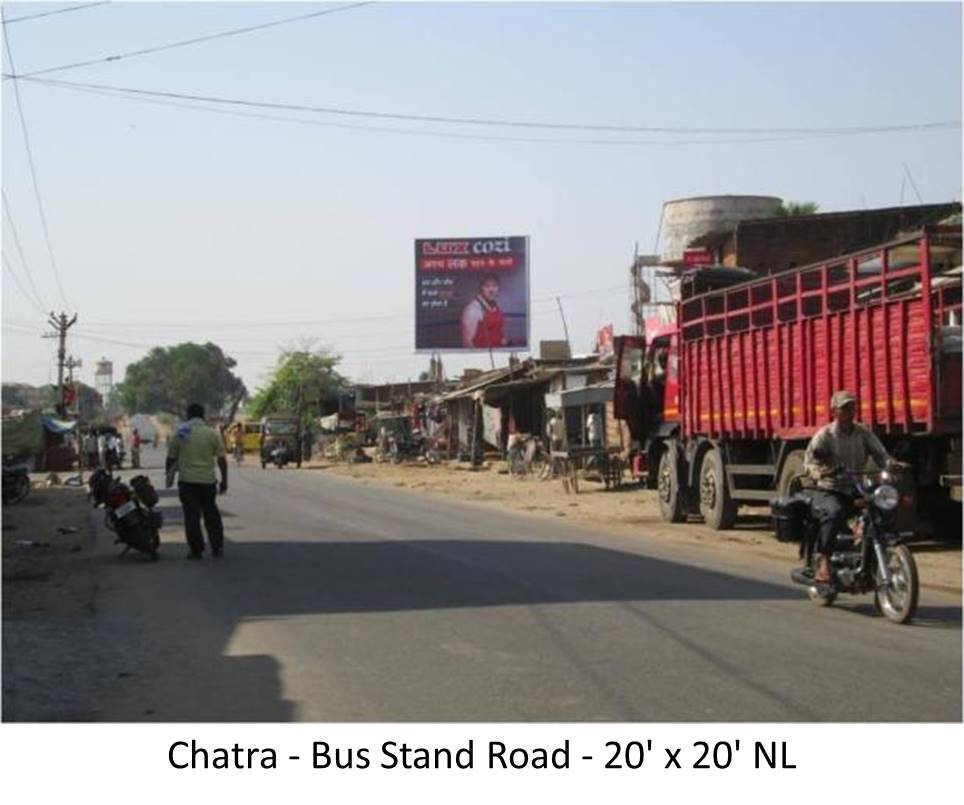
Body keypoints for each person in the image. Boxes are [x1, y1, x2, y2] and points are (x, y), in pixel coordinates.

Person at [803, 390, 899, 583]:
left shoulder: (862, 432)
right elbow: (809, 464)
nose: (850, 411)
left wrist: (891, 464)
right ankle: (824, 561)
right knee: (834, 512)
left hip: (856, 486)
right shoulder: (825, 435)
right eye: (845, 408)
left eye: (852, 407)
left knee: (881, 506)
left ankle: (872, 550)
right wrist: (822, 472)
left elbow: (880, 454)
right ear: (834, 412)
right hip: (830, 488)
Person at [166, 403, 228, 560]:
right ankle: (217, 547)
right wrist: (224, 480)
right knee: (211, 515)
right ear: (203, 415)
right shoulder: (212, 434)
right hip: (208, 481)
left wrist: (169, 477)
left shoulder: (180, 433)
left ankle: (196, 550)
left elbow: (171, 458)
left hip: (187, 482)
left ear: (188, 415)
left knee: (191, 516)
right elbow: (221, 459)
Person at [460, 274, 508, 348]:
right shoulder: (472, 309)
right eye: (487, 286)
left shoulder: (494, 306)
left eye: (494, 286)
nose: (491, 290)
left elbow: (497, 331)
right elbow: (467, 342)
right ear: (480, 288)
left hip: (498, 353)